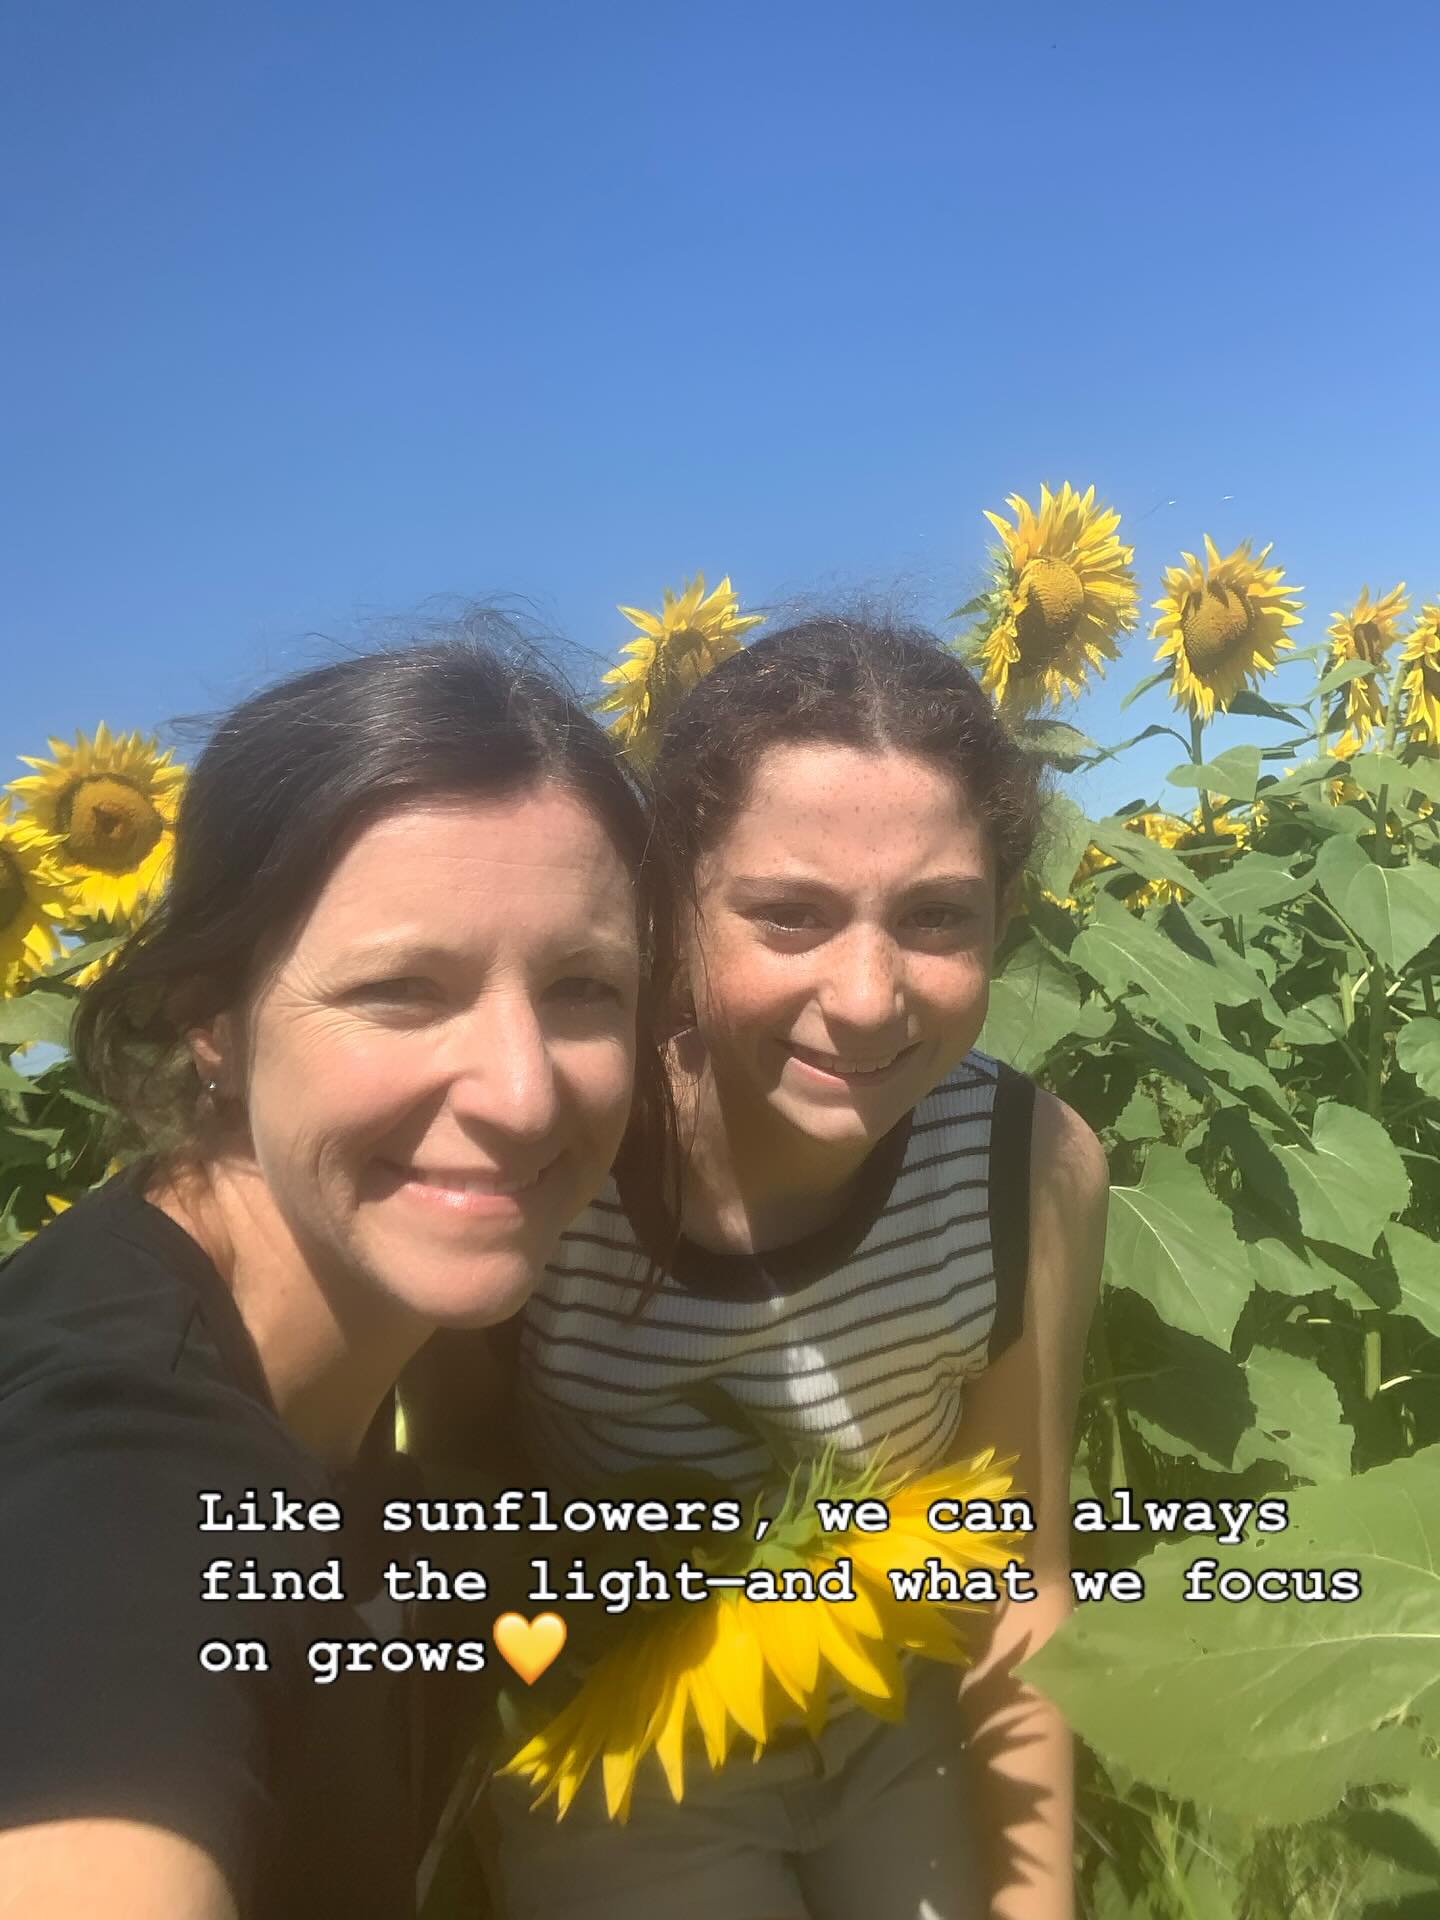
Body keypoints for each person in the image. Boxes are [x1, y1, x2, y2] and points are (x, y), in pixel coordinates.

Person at [0, 626, 676, 1920]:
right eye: (402, 990)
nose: (525, 1095)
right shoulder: (117, 1459)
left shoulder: (356, 1353)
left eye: (585, 985)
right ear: (211, 1012)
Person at [485, 615, 1110, 1920]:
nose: (870, 994)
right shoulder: (562, 1156)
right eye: (789, 916)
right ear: (671, 908)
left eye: (938, 918)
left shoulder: (1025, 1166)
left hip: (897, 1696)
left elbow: (1019, 1581)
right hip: (633, 1718)